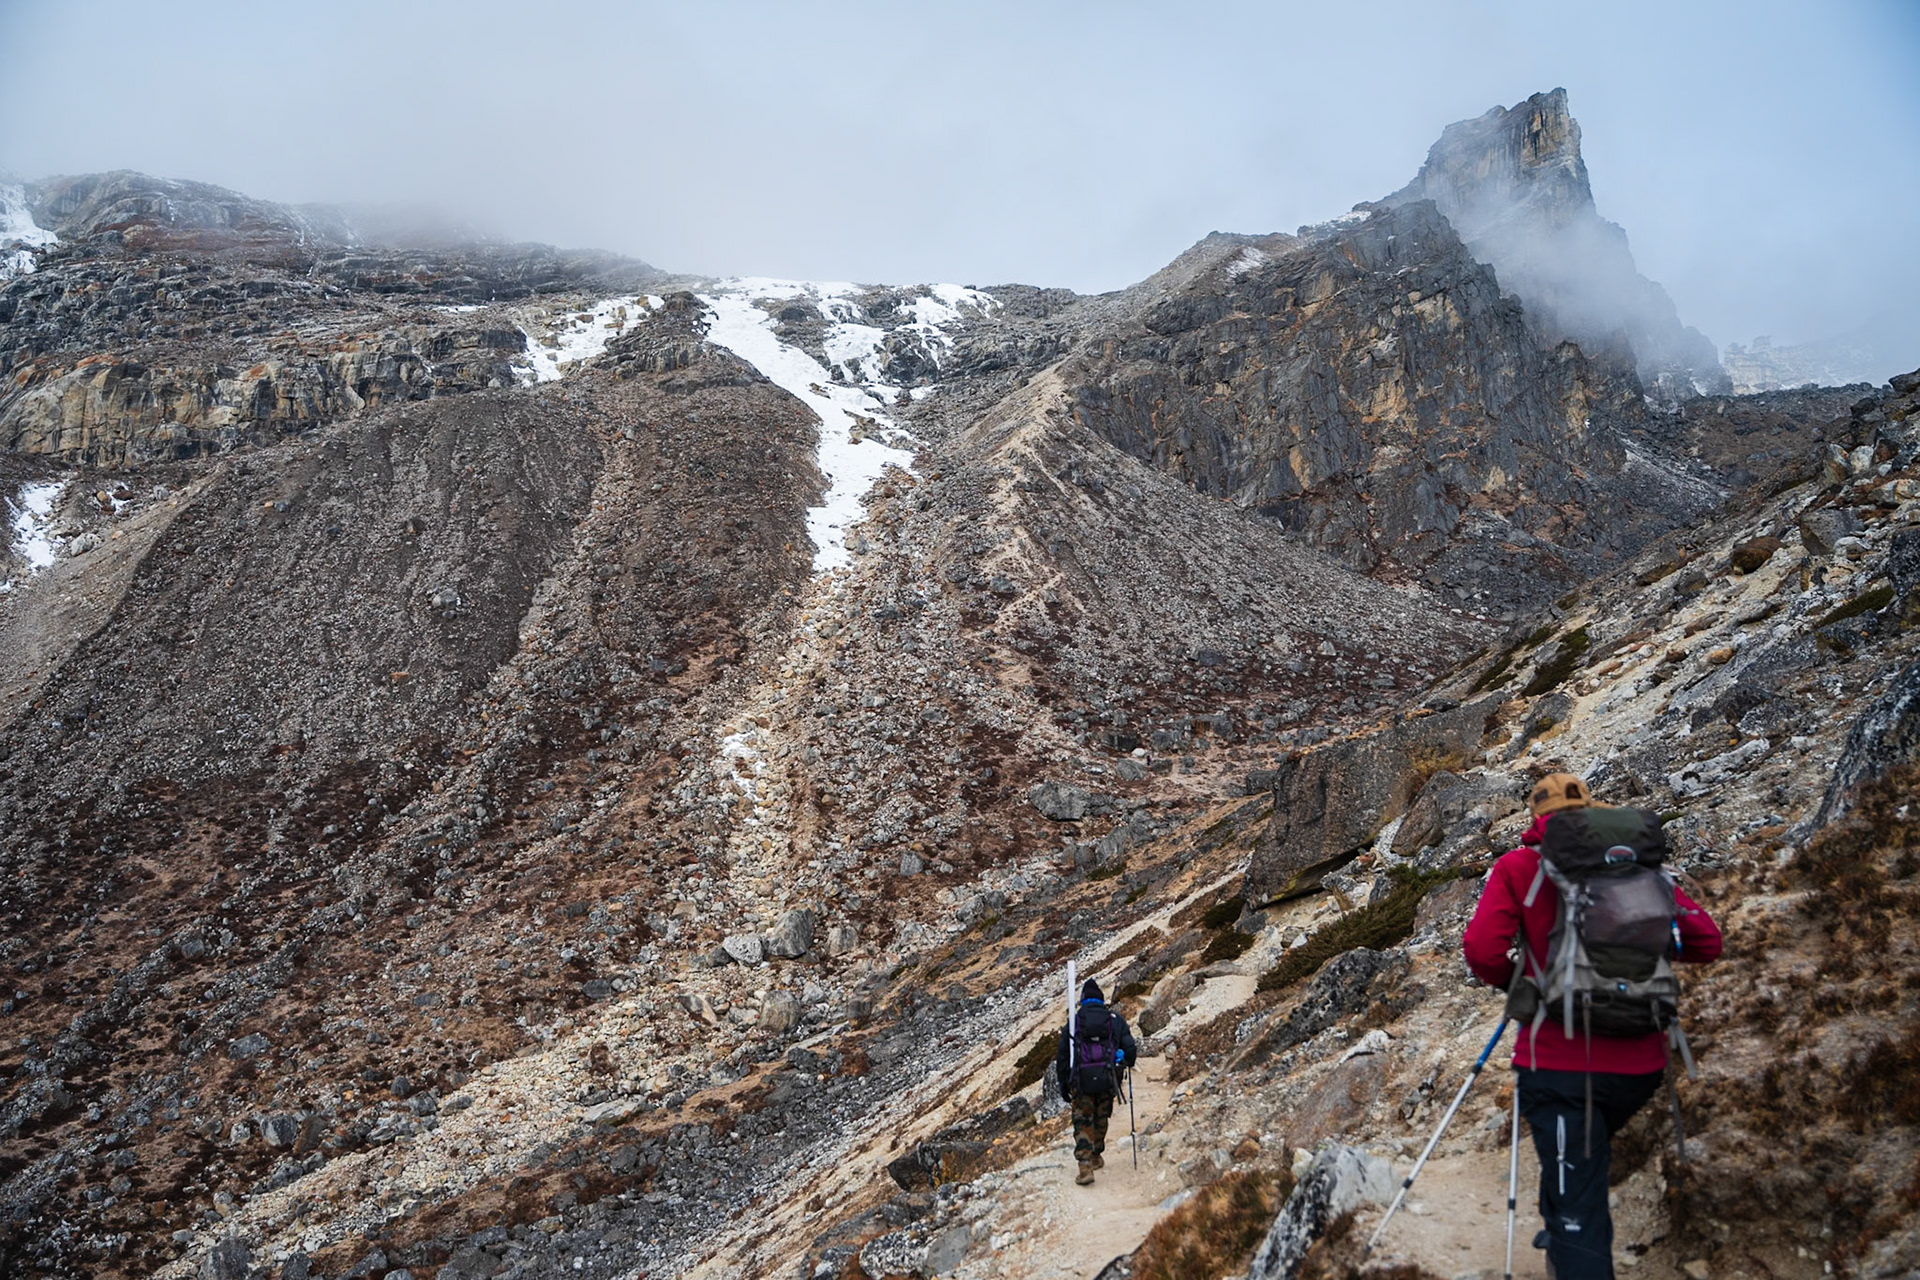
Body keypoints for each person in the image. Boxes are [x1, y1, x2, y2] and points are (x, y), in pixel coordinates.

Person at [1463, 773, 1723, 1280]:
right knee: (1581, 1165)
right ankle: (1562, 1221)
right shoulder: (1638, 868)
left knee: (1578, 1198)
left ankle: (1571, 1236)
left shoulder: (1520, 867)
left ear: (1536, 821)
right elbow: (1706, 943)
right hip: (1642, 1061)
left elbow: (1482, 951)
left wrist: (1523, 986)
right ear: (1591, 813)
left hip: (1558, 1066)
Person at [1053, 977, 1138, 1186]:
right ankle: (1096, 1155)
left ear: (1083, 1000)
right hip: (1108, 1078)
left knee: (1083, 1120)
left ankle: (1084, 1167)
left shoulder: (1075, 1021)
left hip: (1081, 1081)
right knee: (1101, 1117)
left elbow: (1063, 1056)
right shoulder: (1114, 1019)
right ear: (1101, 1000)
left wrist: (1063, 1083)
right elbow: (1130, 1047)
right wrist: (1127, 1061)